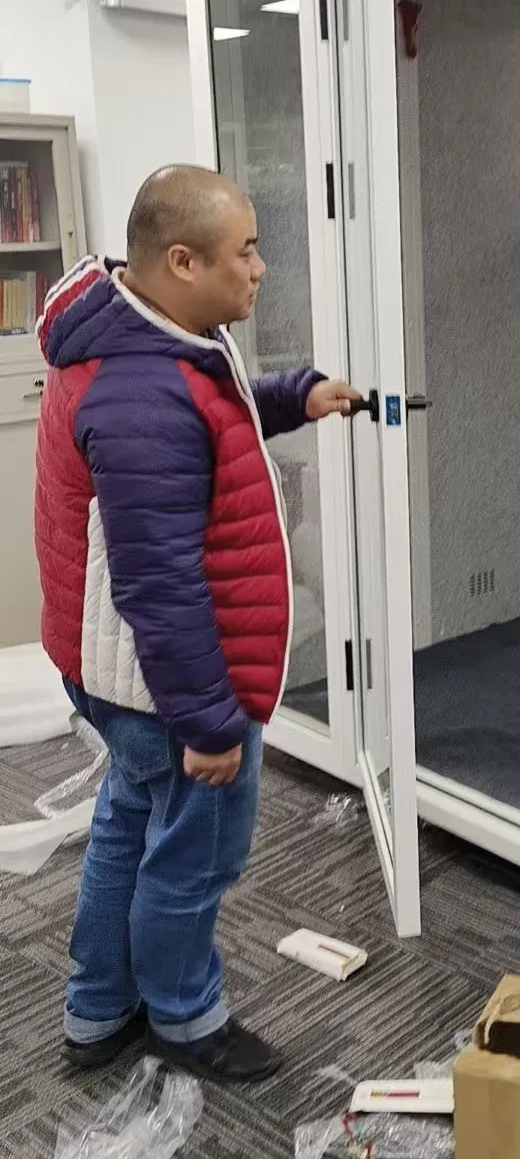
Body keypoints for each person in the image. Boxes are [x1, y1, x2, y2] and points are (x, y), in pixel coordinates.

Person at [34, 166, 360, 1082]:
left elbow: (206, 407)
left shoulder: (138, 339)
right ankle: (185, 1020)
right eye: (245, 251)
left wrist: (295, 393)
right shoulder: (141, 400)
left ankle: (97, 1014)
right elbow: (160, 584)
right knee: (191, 861)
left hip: (111, 671)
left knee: (126, 833)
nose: (259, 268)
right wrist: (212, 722)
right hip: (166, 687)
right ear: (181, 260)